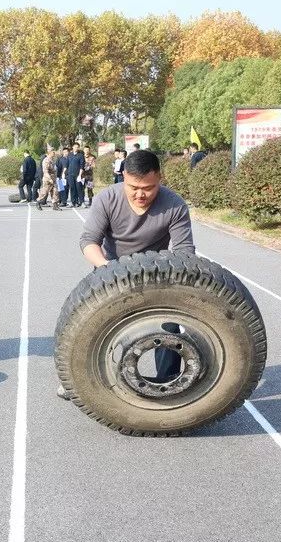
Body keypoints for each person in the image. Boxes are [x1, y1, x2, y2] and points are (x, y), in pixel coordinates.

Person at [74, 149, 195, 396]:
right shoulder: (106, 199)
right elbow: (88, 241)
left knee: (171, 325)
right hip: (110, 272)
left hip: (154, 277)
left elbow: (184, 253)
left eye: (148, 188)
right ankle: (82, 380)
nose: (140, 194)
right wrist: (105, 266)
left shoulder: (174, 205)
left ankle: (168, 383)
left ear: (160, 178)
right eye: (133, 187)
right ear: (123, 176)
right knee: (89, 325)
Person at [67, 142, 84, 207]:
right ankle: (73, 202)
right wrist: (64, 173)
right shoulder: (69, 155)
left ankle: (82, 202)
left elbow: (81, 166)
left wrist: (80, 175)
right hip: (70, 174)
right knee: (72, 188)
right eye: (75, 147)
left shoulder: (80, 155)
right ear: (73, 147)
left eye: (77, 147)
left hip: (77, 175)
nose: (76, 148)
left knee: (79, 188)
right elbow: (67, 165)